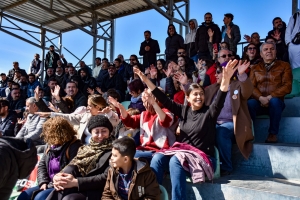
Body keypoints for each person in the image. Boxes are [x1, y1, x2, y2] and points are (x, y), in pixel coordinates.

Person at [133, 59, 238, 200]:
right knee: (158, 158)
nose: (199, 96)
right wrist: (146, 79)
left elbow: (220, 98)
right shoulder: (183, 111)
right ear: (187, 98)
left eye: (201, 93)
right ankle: (153, 196)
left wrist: (225, 81)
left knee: (175, 160)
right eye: (195, 94)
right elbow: (163, 99)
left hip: (203, 157)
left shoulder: (210, 112)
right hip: (182, 153)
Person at [46, 115, 114, 200]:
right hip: (78, 186)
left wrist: (76, 182)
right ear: (91, 133)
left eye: (104, 131)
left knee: (69, 199)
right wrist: (57, 176)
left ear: (109, 132)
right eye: (96, 132)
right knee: (69, 170)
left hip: (98, 189)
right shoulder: (85, 149)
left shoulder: (114, 150)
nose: (100, 135)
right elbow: (71, 165)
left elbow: (105, 177)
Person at [205, 61, 254, 175]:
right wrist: (186, 84)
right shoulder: (213, 88)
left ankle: (226, 166)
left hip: (233, 123)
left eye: (218, 72)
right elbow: (198, 94)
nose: (215, 75)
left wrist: (241, 74)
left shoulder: (237, 84)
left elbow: (247, 92)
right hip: (215, 123)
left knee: (221, 131)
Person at [17, 117, 82, 200]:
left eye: (51, 134)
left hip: (63, 185)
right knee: (23, 196)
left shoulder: (74, 146)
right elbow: (42, 165)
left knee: (40, 197)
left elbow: (73, 169)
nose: (47, 136)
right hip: (48, 183)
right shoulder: (50, 146)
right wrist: (43, 182)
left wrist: (52, 184)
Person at [108, 87, 177, 163]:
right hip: (145, 149)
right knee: (122, 154)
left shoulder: (167, 112)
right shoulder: (144, 114)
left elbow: (165, 121)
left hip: (163, 151)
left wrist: (154, 104)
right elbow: (130, 122)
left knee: (130, 156)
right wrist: (121, 108)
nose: (143, 104)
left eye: (145, 101)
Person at [247, 42, 292, 143]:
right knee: (249, 103)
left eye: (272, 49)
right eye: (266, 49)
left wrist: (270, 97)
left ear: (276, 51)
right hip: (259, 102)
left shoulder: (284, 66)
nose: (269, 51)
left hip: (276, 103)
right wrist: (260, 98)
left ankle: (272, 134)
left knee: (275, 102)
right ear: (261, 54)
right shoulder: (255, 68)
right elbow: (251, 86)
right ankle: (249, 134)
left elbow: (287, 86)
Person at [36, 94, 119, 144]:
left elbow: (114, 123)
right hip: (82, 148)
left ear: (97, 106)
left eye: (89, 105)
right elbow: (69, 117)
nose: (87, 108)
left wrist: (109, 113)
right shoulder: (86, 115)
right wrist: (51, 114)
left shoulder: (109, 115)